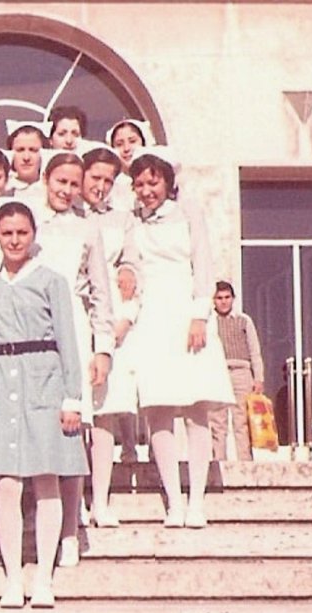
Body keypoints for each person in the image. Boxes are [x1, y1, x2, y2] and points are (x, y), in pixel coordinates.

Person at [0, 200, 88, 609]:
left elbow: (68, 339)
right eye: (7, 233)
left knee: (47, 482)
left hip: (45, 381)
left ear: (33, 236)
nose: (14, 240)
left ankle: (43, 577)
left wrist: (71, 398)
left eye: (21, 233)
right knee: (7, 485)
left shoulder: (51, 281)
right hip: (4, 384)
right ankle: (13, 578)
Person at [123, 147, 233, 528]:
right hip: (152, 316)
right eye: (139, 184)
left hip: (186, 312)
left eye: (152, 182)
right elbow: (131, 268)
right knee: (159, 410)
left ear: (168, 182)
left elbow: (202, 261)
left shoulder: (188, 213)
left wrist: (199, 314)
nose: (146, 190)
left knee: (195, 408)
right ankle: (173, 500)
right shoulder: (132, 220)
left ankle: (196, 500)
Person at [29, 153, 115, 563]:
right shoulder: (27, 219)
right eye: (59, 181)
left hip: (75, 330)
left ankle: (69, 528)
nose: (65, 190)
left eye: (72, 184)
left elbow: (100, 293)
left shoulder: (87, 228)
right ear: (46, 179)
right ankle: (36, 520)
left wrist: (102, 349)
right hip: (30, 328)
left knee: (72, 429)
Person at [77, 145, 139, 545]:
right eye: (94, 177)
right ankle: (75, 500)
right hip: (71, 315)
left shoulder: (123, 220)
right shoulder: (65, 215)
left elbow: (134, 266)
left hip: (108, 318)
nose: (99, 186)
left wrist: (124, 320)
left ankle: (101, 499)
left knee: (103, 415)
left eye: (107, 180)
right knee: (73, 416)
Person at [208, 280, 266, 461]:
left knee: (242, 420)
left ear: (233, 298)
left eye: (227, 297)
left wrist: (258, 378)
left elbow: (254, 350)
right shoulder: (210, 322)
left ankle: (245, 462)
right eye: (219, 298)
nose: (223, 302)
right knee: (218, 422)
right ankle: (219, 463)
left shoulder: (243, 320)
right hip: (218, 371)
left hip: (241, 372)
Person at [5, 120, 50, 202]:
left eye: (33, 150)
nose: (26, 157)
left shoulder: (52, 191)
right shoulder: (2, 190)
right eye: (20, 150)